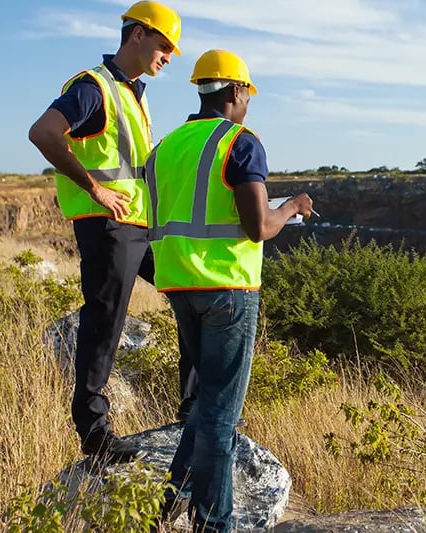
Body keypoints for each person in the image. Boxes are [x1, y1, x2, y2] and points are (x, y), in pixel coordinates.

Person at [144, 49, 312, 532]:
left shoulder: (167, 147)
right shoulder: (241, 142)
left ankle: (165, 507)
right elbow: (258, 226)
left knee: (204, 405)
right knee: (220, 413)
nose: (248, 104)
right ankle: (214, 525)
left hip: (179, 285)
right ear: (237, 91)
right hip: (229, 290)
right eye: (248, 95)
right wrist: (292, 207)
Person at [28, 1, 197, 463]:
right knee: (105, 320)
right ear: (137, 35)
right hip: (108, 226)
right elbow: (43, 133)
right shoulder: (93, 87)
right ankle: (95, 432)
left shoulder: (134, 94)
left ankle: (194, 409)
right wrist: (95, 189)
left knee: (191, 292)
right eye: (164, 46)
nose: (168, 56)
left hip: (140, 224)